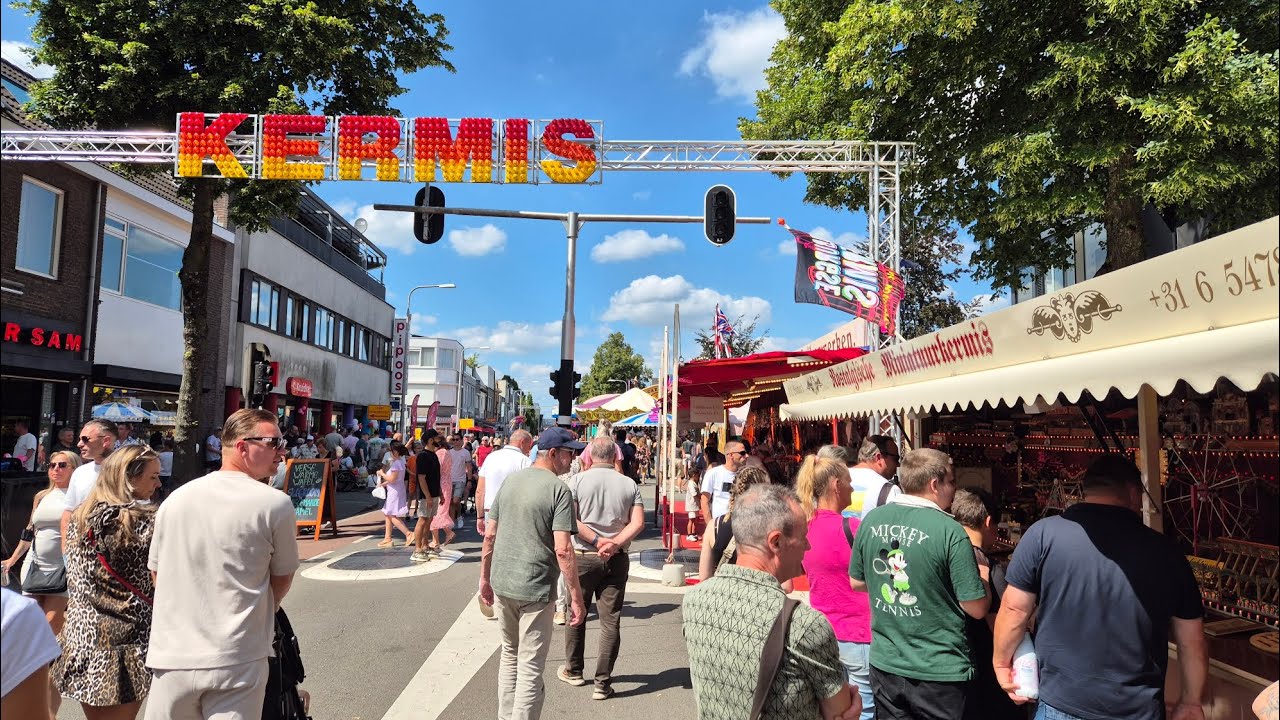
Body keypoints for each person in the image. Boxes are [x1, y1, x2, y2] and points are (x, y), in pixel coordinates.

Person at [993, 454, 1208, 720]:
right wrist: (1190, 701)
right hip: (1137, 709)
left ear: (1086, 490)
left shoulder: (1043, 534)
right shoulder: (1167, 552)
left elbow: (1015, 609)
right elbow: (1192, 640)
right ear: (1133, 493)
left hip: (1061, 703)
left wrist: (1001, 663)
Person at [144, 408, 300, 720]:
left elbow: (157, 573)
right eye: (275, 443)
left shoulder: (176, 499)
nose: (282, 453)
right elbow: (282, 578)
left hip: (172, 654)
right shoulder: (274, 503)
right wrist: (257, 609)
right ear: (243, 446)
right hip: (238, 654)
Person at [684, 484, 860, 720]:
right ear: (776, 542)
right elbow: (841, 712)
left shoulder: (696, 600)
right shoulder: (804, 625)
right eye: (803, 537)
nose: (808, 546)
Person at [849, 448, 989, 720]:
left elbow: (857, 582)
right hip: (938, 670)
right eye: (952, 482)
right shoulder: (950, 531)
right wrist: (982, 579)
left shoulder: (872, 520)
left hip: (886, 663)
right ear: (934, 484)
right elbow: (976, 608)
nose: (954, 489)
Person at [479, 427, 587, 720]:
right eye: (569, 453)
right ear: (553, 454)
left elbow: (490, 535)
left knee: (510, 655)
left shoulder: (511, 482)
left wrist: (485, 579)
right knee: (530, 665)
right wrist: (575, 597)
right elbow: (564, 549)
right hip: (535, 587)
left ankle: (505, 716)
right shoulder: (558, 490)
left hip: (503, 582)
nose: (572, 458)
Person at [54, 444, 161, 720]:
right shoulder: (145, 524)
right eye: (152, 476)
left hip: (82, 636)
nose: (158, 483)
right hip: (127, 640)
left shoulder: (80, 517)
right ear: (129, 477)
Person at [557, 436, 646, 700]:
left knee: (576, 610)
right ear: (614, 456)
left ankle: (574, 670)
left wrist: (596, 540)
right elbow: (638, 522)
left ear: (590, 455)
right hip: (616, 558)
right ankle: (602, 682)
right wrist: (614, 542)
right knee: (611, 620)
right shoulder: (629, 484)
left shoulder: (576, 481)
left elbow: (570, 518)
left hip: (584, 555)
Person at [2, 449, 80, 716]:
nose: (56, 469)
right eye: (52, 465)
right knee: (28, 628)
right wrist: (13, 559)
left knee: (48, 628)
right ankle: (37, 690)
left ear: (74, 468)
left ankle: (44, 692)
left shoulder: (78, 498)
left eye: (63, 465)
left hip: (62, 569)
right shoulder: (42, 496)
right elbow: (29, 530)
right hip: (34, 567)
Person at [796, 455, 875, 720]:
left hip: (823, 631)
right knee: (864, 708)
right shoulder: (854, 528)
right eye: (850, 482)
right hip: (859, 631)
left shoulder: (804, 528)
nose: (853, 489)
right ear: (836, 485)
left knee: (835, 709)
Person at [950, 488, 1025, 720]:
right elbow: (1001, 624)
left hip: (952, 666)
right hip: (987, 666)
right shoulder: (988, 567)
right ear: (988, 521)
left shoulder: (943, 555)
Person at [698, 465, 771, 581]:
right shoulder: (771, 527)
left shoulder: (714, 525)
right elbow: (787, 586)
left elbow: (704, 576)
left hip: (723, 594)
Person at [2, 587, 62, 719]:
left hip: (59, 576)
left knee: (49, 621)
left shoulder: (15, 612)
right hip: (33, 575)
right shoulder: (15, 611)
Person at [62, 419, 118, 552]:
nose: (79, 444)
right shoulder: (80, 472)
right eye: (80, 439)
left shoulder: (127, 471)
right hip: (80, 551)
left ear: (106, 441)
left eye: (85, 439)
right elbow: (68, 511)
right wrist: (66, 548)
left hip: (114, 552)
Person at [477, 429, 534, 535]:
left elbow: (480, 490)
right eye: (529, 445)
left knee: (490, 543)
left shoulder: (491, 457)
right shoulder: (525, 461)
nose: (529, 450)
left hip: (490, 509)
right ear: (522, 442)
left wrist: (480, 516)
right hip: (513, 511)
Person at [844, 436, 901, 520]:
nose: (898, 464)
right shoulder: (889, 490)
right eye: (896, 458)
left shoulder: (837, 478)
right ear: (878, 458)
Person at [374, 441, 415, 548]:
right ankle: (387, 538)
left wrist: (382, 474)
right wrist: (384, 484)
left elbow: (392, 478)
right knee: (388, 513)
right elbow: (395, 479)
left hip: (395, 492)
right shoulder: (400, 462)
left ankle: (408, 534)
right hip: (396, 489)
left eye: (391, 451)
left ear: (395, 452)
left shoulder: (397, 463)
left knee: (391, 515)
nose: (390, 452)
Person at [412, 432, 444, 562]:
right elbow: (421, 477)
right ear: (431, 440)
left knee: (429, 520)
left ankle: (425, 545)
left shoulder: (434, 454)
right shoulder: (423, 456)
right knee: (423, 520)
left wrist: (440, 492)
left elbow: (437, 476)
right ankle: (417, 549)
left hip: (434, 493)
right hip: (427, 495)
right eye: (436, 438)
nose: (438, 440)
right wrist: (428, 496)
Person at [700, 438, 749, 522]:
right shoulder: (713, 473)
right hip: (720, 525)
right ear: (731, 455)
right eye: (742, 453)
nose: (747, 456)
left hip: (741, 525)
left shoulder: (746, 475)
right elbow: (704, 501)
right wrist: (710, 526)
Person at [431, 437, 459, 549]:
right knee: (439, 511)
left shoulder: (440, 453)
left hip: (441, 484)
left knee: (436, 512)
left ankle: (446, 534)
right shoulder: (447, 453)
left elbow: (437, 470)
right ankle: (435, 540)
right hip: (447, 482)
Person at [446, 434, 471, 529]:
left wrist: (469, 480)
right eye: (454, 439)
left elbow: (469, 467)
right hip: (449, 479)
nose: (455, 441)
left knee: (456, 501)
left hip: (460, 479)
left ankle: (459, 516)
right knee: (451, 502)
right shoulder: (449, 452)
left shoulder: (465, 453)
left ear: (461, 441)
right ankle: (452, 522)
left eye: (457, 439)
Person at [684, 474, 700, 540]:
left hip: (695, 504)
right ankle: (689, 534)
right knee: (691, 519)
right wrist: (700, 495)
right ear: (694, 475)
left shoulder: (694, 483)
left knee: (695, 519)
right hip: (691, 504)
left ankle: (694, 533)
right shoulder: (691, 483)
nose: (698, 477)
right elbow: (694, 493)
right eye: (697, 475)